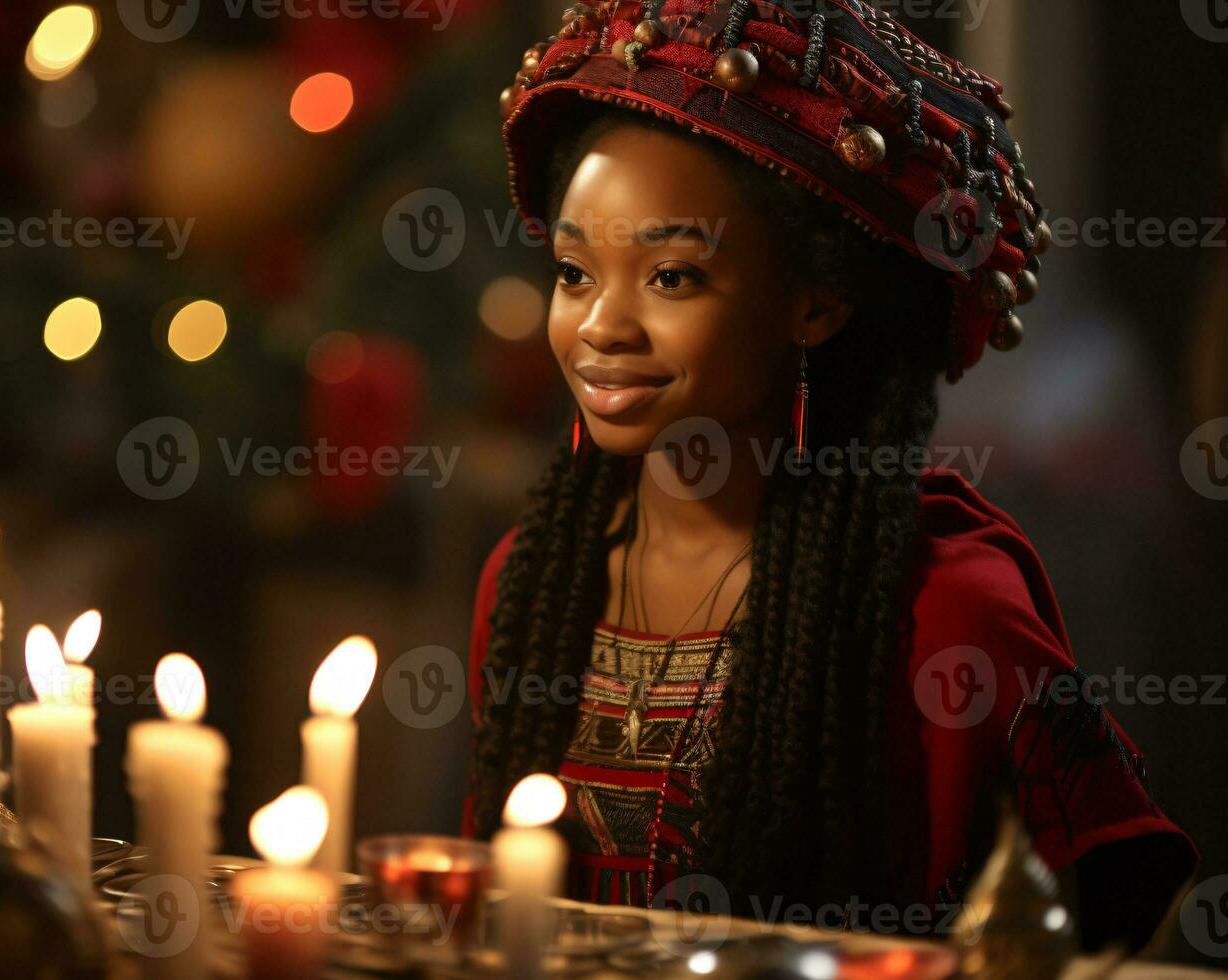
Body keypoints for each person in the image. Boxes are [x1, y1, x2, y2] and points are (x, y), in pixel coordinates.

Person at [463, 0, 1196, 952]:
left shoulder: (948, 620)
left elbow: (1080, 937)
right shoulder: (526, 587)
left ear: (816, 302)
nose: (601, 326)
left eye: (672, 276)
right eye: (573, 272)